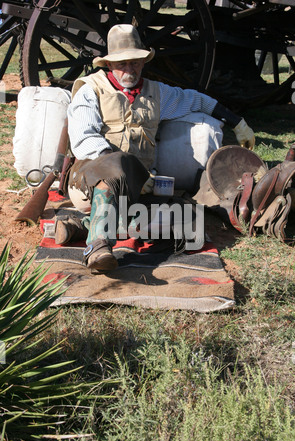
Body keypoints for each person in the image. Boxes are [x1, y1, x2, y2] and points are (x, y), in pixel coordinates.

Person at [55, 24, 255, 273]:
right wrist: (129, 175)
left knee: (188, 220)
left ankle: (82, 226)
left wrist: (238, 123)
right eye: (122, 63)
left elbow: (196, 100)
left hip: (141, 186)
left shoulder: (157, 93)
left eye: (135, 62)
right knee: (111, 176)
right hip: (90, 182)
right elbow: (84, 140)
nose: (130, 69)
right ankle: (98, 246)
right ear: (108, 65)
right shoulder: (89, 90)